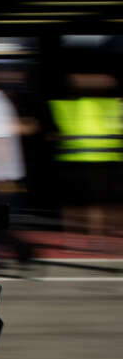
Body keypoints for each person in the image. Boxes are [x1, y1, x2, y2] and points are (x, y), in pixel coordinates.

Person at [48, 73, 123, 238]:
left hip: (76, 159)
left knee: (84, 202)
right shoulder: (114, 104)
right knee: (100, 201)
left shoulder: (63, 105)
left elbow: (54, 133)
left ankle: (89, 236)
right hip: (104, 160)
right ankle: (98, 235)